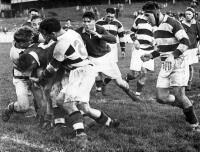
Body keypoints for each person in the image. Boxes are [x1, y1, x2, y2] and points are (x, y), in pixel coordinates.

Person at [33, 18, 120, 149]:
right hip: (81, 71)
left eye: (45, 34)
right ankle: (110, 122)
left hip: (82, 72)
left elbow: (52, 69)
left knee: (68, 104)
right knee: (67, 102)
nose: (44, 37)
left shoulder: (60, 46)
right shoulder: (72, 32)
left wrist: (40, 80)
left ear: (52, 34)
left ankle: (81, 136)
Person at [141, 1, 200, 132]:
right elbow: (162, 48)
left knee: (179, 95)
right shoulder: (155, 27)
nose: (146, 19)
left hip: (178, 62)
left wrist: (173, 55)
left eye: (147, 16)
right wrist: (151, 55)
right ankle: (186, 107)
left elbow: (186, 42)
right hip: (166, 65)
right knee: (161, 97)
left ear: (156, 14)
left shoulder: (173, 22)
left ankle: (195, 124)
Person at [76, 11, 141, 101]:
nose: (86, 24)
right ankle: (82, 102)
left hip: (106, 58)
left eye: (88, 21)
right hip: (91, 59)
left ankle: (132, 95)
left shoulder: (100, 29)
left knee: (120, 83)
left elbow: (114, 39)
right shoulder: (78, 32)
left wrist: (100, 36)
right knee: (85, 81)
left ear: (94, 21)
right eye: (84, 22)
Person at [2, 26, 36, 122]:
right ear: (21, 43)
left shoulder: (24, 42)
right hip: (21, 79)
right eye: (30, 40)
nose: (32, 41)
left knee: (41, 100)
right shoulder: (15, 54)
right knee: (23, 107)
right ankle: (11, 107)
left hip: (33, 76)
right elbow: (25, 68)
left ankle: (40, 118)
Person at [96, 7, 126, 93]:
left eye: (112, 17)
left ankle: (104, 83)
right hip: (101, 47)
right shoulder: (98, 23)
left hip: (112, 48)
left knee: (112, 68)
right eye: (108, 16)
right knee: (100, 67)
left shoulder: (118, 23)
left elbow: (121, 37)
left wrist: (123, 50)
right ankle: (99, 87)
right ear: (105, 14)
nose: (110, 18)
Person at [125, 10, 155, 97]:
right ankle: (127, 77)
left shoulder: (156, 21)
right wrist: (135, 40)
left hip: (149, 50)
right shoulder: (139, 19)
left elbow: (158, 34)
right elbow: (131, 32)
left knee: (144, 72)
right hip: (138, 49)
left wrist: (155, 40)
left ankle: (137, 94)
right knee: (135, 74)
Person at [181, 7, 200, 91]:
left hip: (192, 48)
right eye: (186, 14)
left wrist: (198, 47)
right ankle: (182, 82)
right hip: (183, 48)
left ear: (193, 15)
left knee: (189, 66)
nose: (187, 16)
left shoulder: (196, 24)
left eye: (189, 14)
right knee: (182, 66)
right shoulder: (181, 23)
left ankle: (189, 82)